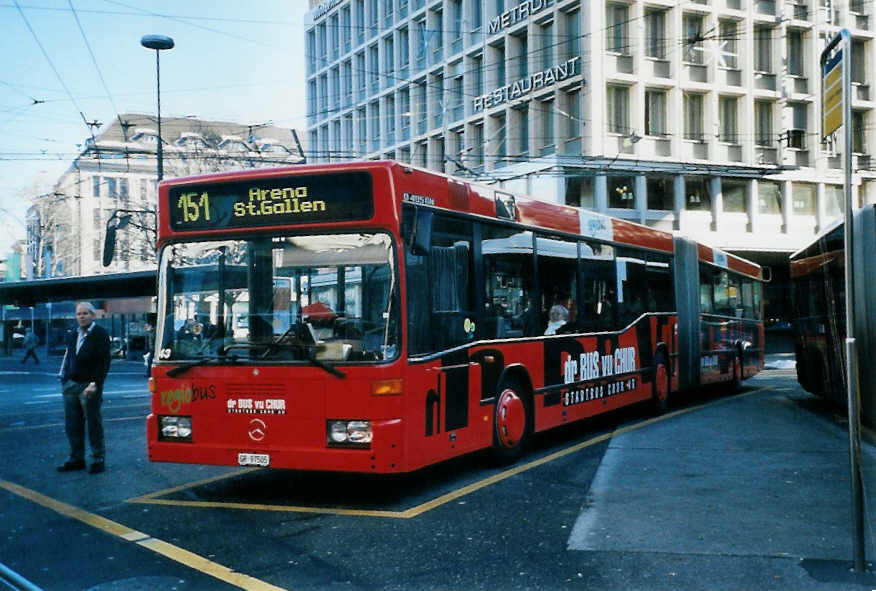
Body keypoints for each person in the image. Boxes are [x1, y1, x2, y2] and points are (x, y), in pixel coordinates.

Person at [57, 302, 111, 474]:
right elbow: (68, 357)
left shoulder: (100, 334)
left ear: (93, 315)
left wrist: (95, 384)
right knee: (72, 424)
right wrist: (65, 380)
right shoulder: (73, 334)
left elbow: (103, 362)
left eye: (85, 313)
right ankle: (76, 458)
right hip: (71, 384)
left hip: (89, 385)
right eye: (79, 314)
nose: (81, 316)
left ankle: (98, 458)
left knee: (93, 423)